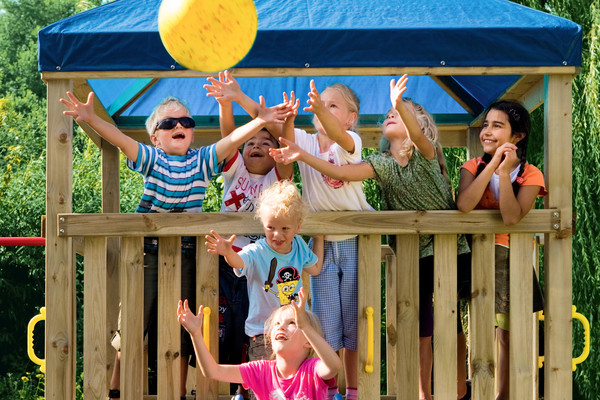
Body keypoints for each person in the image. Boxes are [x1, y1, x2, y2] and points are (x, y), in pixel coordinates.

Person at [60, 91, 292, 400]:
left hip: (186, 256)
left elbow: (233, 138)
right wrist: (91, 118)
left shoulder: (202, 161)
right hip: (144, 255)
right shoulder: (151, 158)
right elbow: (119, 139)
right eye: (170, 122)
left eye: (186, 121)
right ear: (155, 137)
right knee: (133, 321)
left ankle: (178, 392)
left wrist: (260, 120)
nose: (179, 125)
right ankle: (116, 390)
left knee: (180, 322)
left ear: (193, 132)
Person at [270, 74, 472, 400]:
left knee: (451, 320)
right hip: (410, 253)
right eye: (390, 113)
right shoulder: (381, 163)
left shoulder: (425, 151)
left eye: (404, 113)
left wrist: (397, 104)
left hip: (450, 249)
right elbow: (340, 172)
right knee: (419, 325)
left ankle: (459, 391)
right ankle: (422, 394)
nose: (391, 115)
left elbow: (416, 135)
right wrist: (301, 153)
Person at [203, 71, 297, 400]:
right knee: (226, 328)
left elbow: (283, 142)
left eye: (265, 142)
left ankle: (258, 388)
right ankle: (234, 390)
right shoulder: (236, 170)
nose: (256, 145)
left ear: (275, 152)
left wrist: (271, 123)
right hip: (229, 264)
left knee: (257, 330)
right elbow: (229, 136)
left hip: (263, 271)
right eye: (251, 144)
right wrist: (226, 103)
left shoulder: (279, 175)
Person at [279, 79, 373, 400]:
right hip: (321, 240)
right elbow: (287, 144)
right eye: (320, 105)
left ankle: (356, 389)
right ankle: (330, 387)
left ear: (350, 117)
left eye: (334, 105)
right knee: (326, 319)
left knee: (356, 319)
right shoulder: (304, 139)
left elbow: (337, 135)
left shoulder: (350, 142)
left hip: (354, 240)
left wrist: (319, 108)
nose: (323, 109)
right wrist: (290, 119)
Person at [456, 100, 545, 400]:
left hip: (510, 258)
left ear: (517, 136)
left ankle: (503, 395)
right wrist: (492, 165)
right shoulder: (472, 167)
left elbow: (511, 216)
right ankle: (474, 390)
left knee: (505, 332)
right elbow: (465, 204)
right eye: (485, 125)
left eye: (497, 125)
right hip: (476, 256)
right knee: (477, 325)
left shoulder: (531, 174)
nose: (488, 131)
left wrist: (505, 174)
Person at [205, 180, 325, 396]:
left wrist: (320, 236)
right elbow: (239, 262)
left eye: (285, 228)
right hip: (262, 334)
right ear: (263, 224)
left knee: (291, 388)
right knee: (265, 389)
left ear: (298, 227)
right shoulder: (259, 250)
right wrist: (227, 252)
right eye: (271, 227)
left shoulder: (298, 246)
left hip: (293, 333)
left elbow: (315, 268)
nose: (277, 235)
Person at [178, 286, 341, 400]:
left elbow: (334, 366)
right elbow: (212, 371)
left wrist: (305, 326)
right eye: (276, 324)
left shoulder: (312, 370)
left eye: (292, 323)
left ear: (308, 340)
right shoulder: (260, 370)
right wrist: (196, 334)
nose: (280, 327)